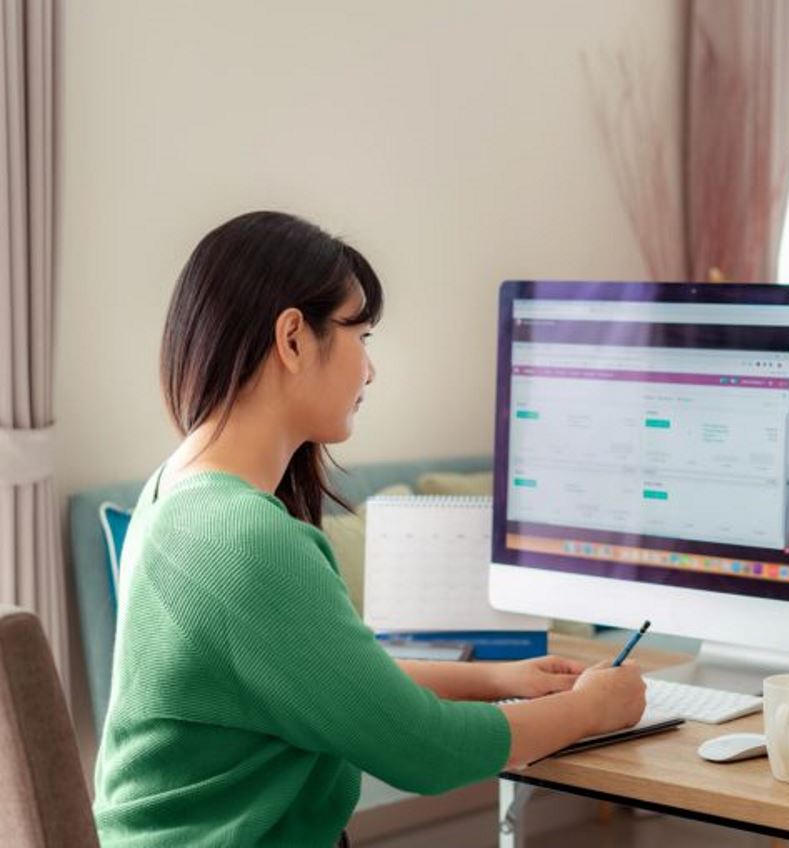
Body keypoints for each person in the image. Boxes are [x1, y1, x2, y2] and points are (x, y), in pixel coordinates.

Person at [92, 211, 646, 847]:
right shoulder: (246, 541)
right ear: (294, 338)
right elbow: (426, 750)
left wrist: (494, 681)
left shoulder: (175, 490)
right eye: (362, 335)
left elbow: (334, 680)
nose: (370, 371)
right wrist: (592, 709)